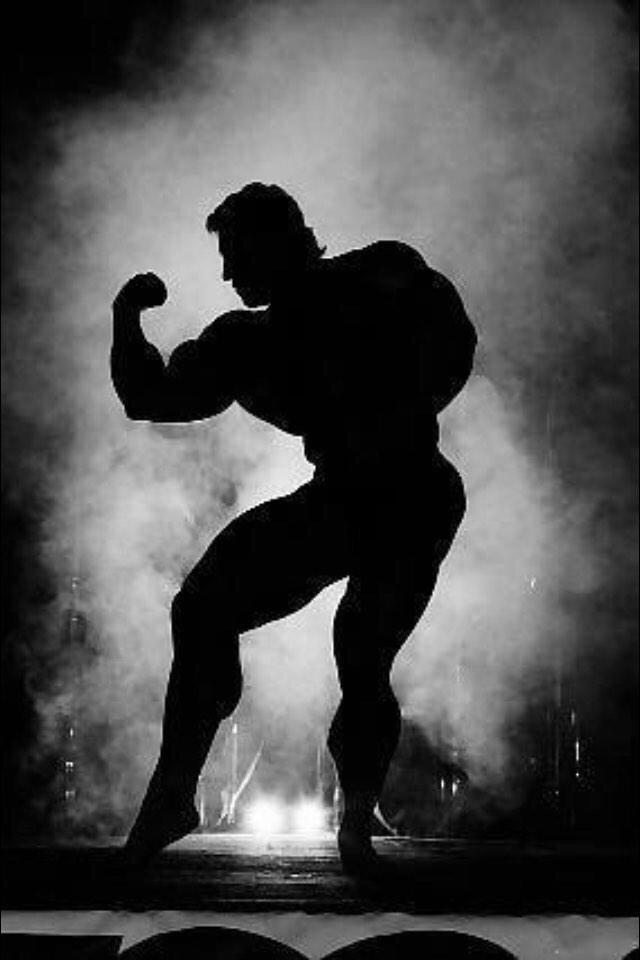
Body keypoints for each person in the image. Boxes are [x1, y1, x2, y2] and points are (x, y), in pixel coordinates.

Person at [111, 182, 476, 874]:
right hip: (340, 499)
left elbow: (455, 340)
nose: (227, 272)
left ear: (278, 242)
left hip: (412, 495)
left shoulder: (379, 272)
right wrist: (125, 318)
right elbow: (151, 396)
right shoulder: (247, 342)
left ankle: (357, 817)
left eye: (235, 253)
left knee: (362, 649)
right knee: (203, 604)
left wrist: (400, 405)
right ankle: (174, 789)